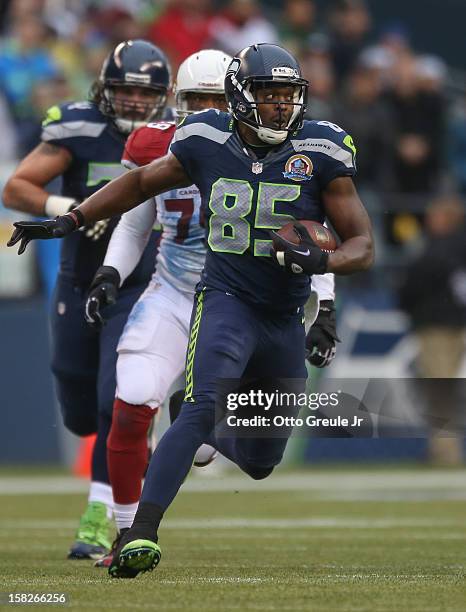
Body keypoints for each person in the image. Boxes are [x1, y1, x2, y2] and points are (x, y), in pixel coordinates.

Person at [7, 43, 374, 577]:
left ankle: (199, 429)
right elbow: (136, 186)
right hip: (222, 298)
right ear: (242, 98)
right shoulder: (203, 141)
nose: (281, 108)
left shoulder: (321, 147)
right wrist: (70, 219)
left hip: (283, 314)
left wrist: (325, 265)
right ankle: (140, 531)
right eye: (269, 97)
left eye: (288, 97)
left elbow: (362, 245)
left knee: (262, 459)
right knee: (202, 401)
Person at [86, 48, 339, 568]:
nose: (204, 110)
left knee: (261, 453)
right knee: (131, 398)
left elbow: (315, 228)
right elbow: (136, 213)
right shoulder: (172, 142)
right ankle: (128, 531)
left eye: (213, 99)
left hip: (260, 298)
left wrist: (325, 303)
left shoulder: (290, 147)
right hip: (183, 291)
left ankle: (203, 426)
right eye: (194, 101)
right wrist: (108, 270)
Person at [3, 39, 171, 560]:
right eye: (124, 90)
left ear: (164, 96)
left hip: (138, 285)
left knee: (112, 400)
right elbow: (17, 186)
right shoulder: (77, 125)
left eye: (146, 94)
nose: (135, 102)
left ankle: (102, 513)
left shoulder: (175, 137)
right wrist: (72, 206)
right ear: (105, 88)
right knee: (79, 409)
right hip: (77, 281)